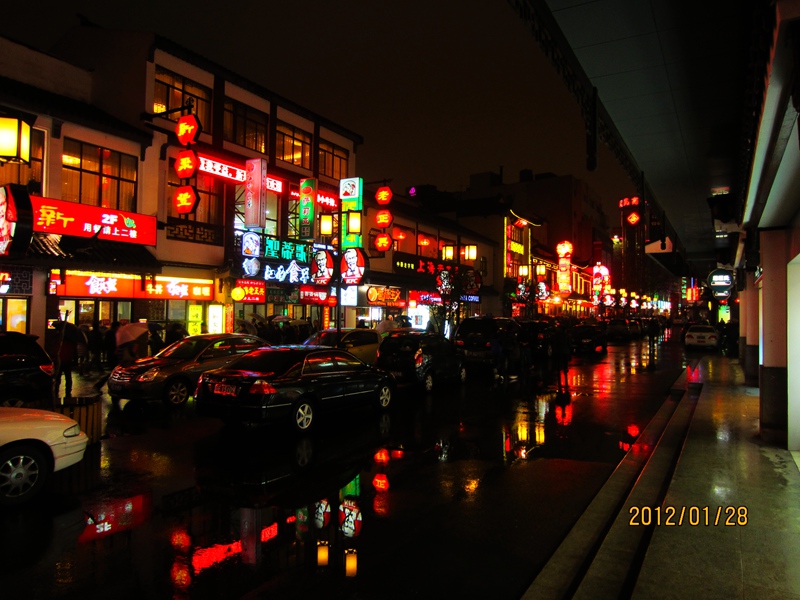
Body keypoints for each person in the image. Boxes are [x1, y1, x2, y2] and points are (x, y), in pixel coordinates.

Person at [551, 325, 571, 390]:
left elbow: (554, 343)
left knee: (559, 361)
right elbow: (569, 343)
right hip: (565, 350)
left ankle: (559, 369)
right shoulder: (566, 335)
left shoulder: (557, 335)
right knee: (565, 361)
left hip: (559, 351)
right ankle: (565, 369)